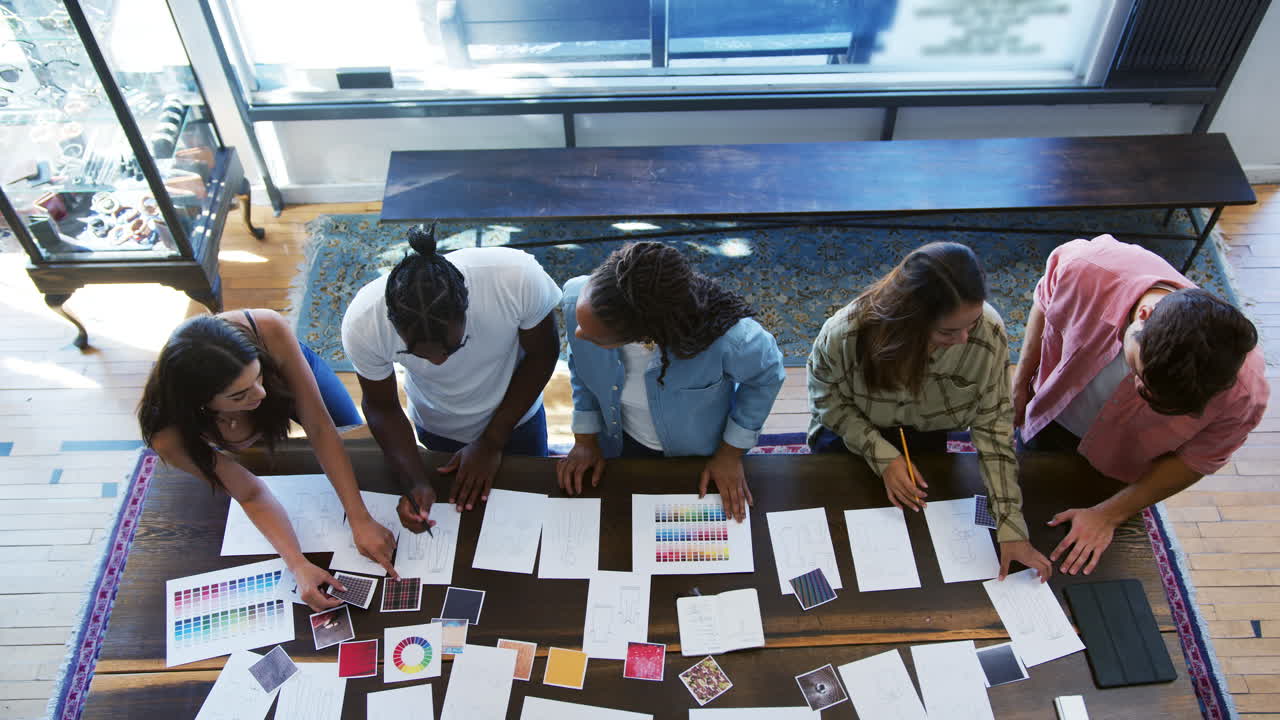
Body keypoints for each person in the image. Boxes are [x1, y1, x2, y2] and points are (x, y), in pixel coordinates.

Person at [1012, 234, 1267, 576]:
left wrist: (1108, 514)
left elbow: (1198, 458)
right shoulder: (1087, 267)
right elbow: (1045, 303)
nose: (1138, 393)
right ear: (1144, 315)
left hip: (1120, 467)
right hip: (1050, 414)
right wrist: (1019, 387)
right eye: (1140, 377)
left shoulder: (1245, 392)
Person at [808, 241, 1051, 581]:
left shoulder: (988, 333)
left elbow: (994, 430)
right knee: (837, 545)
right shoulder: (845, 334)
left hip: (926, 438)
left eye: (973, 323)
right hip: (850, 433)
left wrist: (1012, 529)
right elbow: (826, 401)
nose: (966, 339)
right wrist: (883, 456)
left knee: (922, 548)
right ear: (908, 321)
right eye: (948, 332)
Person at [138, 310, 398, 611]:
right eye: (239, 395)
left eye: (258, 377)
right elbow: (249, 493)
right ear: (201, 403)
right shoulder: (169, 435)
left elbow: (319, 427)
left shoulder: (268, 330)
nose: (261, 393)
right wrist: (298, 565)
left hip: (285, 360)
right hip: (220, 412)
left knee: (354, 437)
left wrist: (359, 517)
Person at [341, 224, 561, 532]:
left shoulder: (515, 278)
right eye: (419, 355)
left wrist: (493, 440)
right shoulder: (364, 323)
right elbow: (382, 407)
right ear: (392, 323)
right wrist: (415, 481)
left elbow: (544, 354)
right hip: (436, 424)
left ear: (467, 307)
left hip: (517, 416)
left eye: (454, 347)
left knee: (531, 507)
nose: (439, 361)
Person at [557, 241, 786, 521]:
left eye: (596, 337)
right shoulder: (577, 300)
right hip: (619, 440)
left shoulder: (729, 339)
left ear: (645, 334)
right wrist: (585, 438)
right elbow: (581, 365)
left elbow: (767, 375)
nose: (579, 334)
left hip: (699, 454)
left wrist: (730, 454)